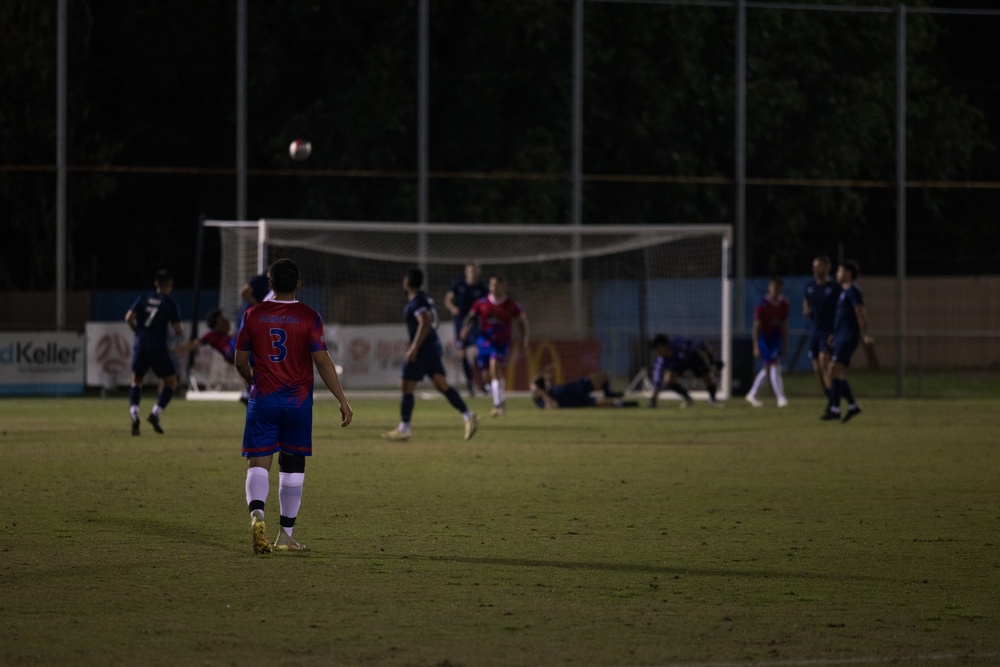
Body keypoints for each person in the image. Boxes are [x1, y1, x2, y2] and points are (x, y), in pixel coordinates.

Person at [235, 258, 353, 554]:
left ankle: (257, 514)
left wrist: (252, 381)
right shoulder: (309, 317)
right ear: (299, 283)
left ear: (270, 284)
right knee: (293, 465)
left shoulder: (253, 314)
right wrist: (342, 400)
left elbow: (239, 359)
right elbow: (323, 361)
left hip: (263, 400)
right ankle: (285, 536)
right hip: (298, 403)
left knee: (259, 461)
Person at [382, 268, 479, 442]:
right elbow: (435, 321)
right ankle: (468, 415)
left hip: (422, 350)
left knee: (405, 385)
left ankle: (404, 428)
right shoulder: (426, 298)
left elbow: (425, 322)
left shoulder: (416, 301)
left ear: (407, 283)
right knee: (441, 384)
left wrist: (414, 347)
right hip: (432, 347)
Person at [125, 269, 184, 436]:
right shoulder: (170, 303)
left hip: (141, 345)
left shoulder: (143, 298)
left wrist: (138, 332)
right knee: (171, 382)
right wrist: (179, 332)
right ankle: (155, 414)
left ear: (156, 284)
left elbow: (128, 317)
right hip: (158, 347)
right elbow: (178, 329)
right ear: (170, 284)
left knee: (136, 381)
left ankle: (134, 415)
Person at [460, 274, 529, 417]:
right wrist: (465, 329)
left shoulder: (511, 304)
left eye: (497, 284)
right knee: (486, 377)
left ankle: (498, 406)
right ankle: (500, 399)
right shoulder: (481, 302)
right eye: (492, 285)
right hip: (484, 342)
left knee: (494, 367)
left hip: (501, 343)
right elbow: (471, 317)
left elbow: (521, 320)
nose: (494, 287)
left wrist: (525, 337)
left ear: (504, 286)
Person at [822, 259, 873, 423]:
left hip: (848, 337)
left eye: (840, 271)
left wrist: (864, 334)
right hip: (841, 336)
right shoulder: (844, 291)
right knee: (836, 373)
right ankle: (850, 406)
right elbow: (844, 317)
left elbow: (861, 313)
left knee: (832, 370)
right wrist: (835, 334)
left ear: (848, 273)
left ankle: (838, 407)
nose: (837, 274)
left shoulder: (853, 291)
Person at [173, 308, 252, 403]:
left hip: (239, 353)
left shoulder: (227, 336)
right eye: (222, 320)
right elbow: (194, 344)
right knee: (245, 331)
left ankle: (248, 392)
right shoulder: (211, 335)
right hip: (231, 350)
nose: (226, 321)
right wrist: (175, 349)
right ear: (216, 325)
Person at [745, 274, 790, 408]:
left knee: (768, 367)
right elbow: (756, 327)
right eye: (772, 286)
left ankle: (752, 393)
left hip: (775, 338)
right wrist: (756, 346)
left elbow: (784, 325)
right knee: (774, 365)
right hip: (764, 338)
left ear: (781, 288)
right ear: (769, 287)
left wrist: (785, 343)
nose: (774, 289)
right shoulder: (762, 304)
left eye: (777, 287)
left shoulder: (784, 303)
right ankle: (781, 397)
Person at [444, 262, 488, 396]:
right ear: (466, 272)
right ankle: (470, 383)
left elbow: (487, 304)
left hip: (474, 322)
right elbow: (448, 299)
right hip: (460, 321)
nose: (472, 274)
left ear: (478, 272)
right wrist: (452, 308)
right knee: (462, 353)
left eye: (474, 271)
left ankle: (482, 383)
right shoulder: (458, 284)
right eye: (470, 271)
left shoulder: (482, 288)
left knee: (477, 352)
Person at [803, 255, 842, 404]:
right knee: (817, 369)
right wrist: (806, 309)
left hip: (828, 331)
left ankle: (834, 400)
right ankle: (829, 395)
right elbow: (806, 301)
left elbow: (841, 308)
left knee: (823, 360)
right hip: (814, 331)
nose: (815, 269)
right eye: (814, 267)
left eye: (819, 266)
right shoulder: (809, 286)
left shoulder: (834, 288)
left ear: (827, 267)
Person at [648, 334, 724, 408]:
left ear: (663, 346)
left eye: (657, 350)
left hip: (692, 359)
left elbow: (701, 343)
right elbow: (657, 379)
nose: (657, 353)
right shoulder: (662, 360)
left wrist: (713, 360)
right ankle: (688, 398)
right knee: (668, 381)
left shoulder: (680, 343)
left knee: (707, 378)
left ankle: (713, 399)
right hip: (678, 365)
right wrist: (653, 399)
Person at [532, 366, 638, 409]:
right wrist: (543, 394)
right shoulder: (540, 400)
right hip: (578, 400)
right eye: (546, 383)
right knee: (608, 403)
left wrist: (542, 375)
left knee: (604, 376)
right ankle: (625, 404)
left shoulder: (549, 389)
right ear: (542, 388)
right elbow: (552, 407)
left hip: (578, 386)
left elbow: (550, 370)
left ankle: (608, 392)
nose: (549, 383)